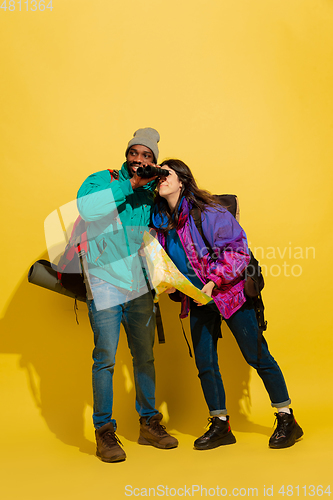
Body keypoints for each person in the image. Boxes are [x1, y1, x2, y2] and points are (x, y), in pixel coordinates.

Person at [151, 158, 303, 450]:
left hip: (229, 294)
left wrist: (214, 279)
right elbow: (167, 262)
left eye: (166, 174)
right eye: (158, 176)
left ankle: (287, 418)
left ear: (182, 180)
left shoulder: (207, 212)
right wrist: (169, 284)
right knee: (205, 363)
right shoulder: (161, 223)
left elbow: (237, 250)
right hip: (196, 298)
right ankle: (220, 424)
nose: (161, 178)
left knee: (258, 356)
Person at [76, 128, 178, 463]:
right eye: (135, 154)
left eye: (147, 156)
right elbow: (88, 209)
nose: (140, 160)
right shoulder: (102, 179)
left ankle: (149, 424)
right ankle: (104, 431)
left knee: (144, 356)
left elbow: (169, 226)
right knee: (105, 357)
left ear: (153, 161)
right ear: (127, 156)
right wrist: (130, 185)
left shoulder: (153, 192)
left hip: (139, 285)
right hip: (104, 278)